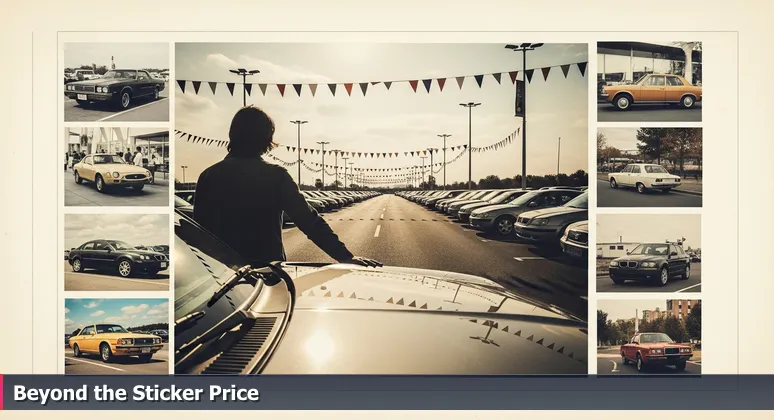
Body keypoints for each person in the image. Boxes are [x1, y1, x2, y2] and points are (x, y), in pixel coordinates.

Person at [193, 105, 381, 268]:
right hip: (266, 274)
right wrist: (345, 257)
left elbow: (198, 233)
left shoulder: (209, 176)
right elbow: (309, 221)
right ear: (267, 139)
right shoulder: (275, 176)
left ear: (232, 135)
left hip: (220, 277)